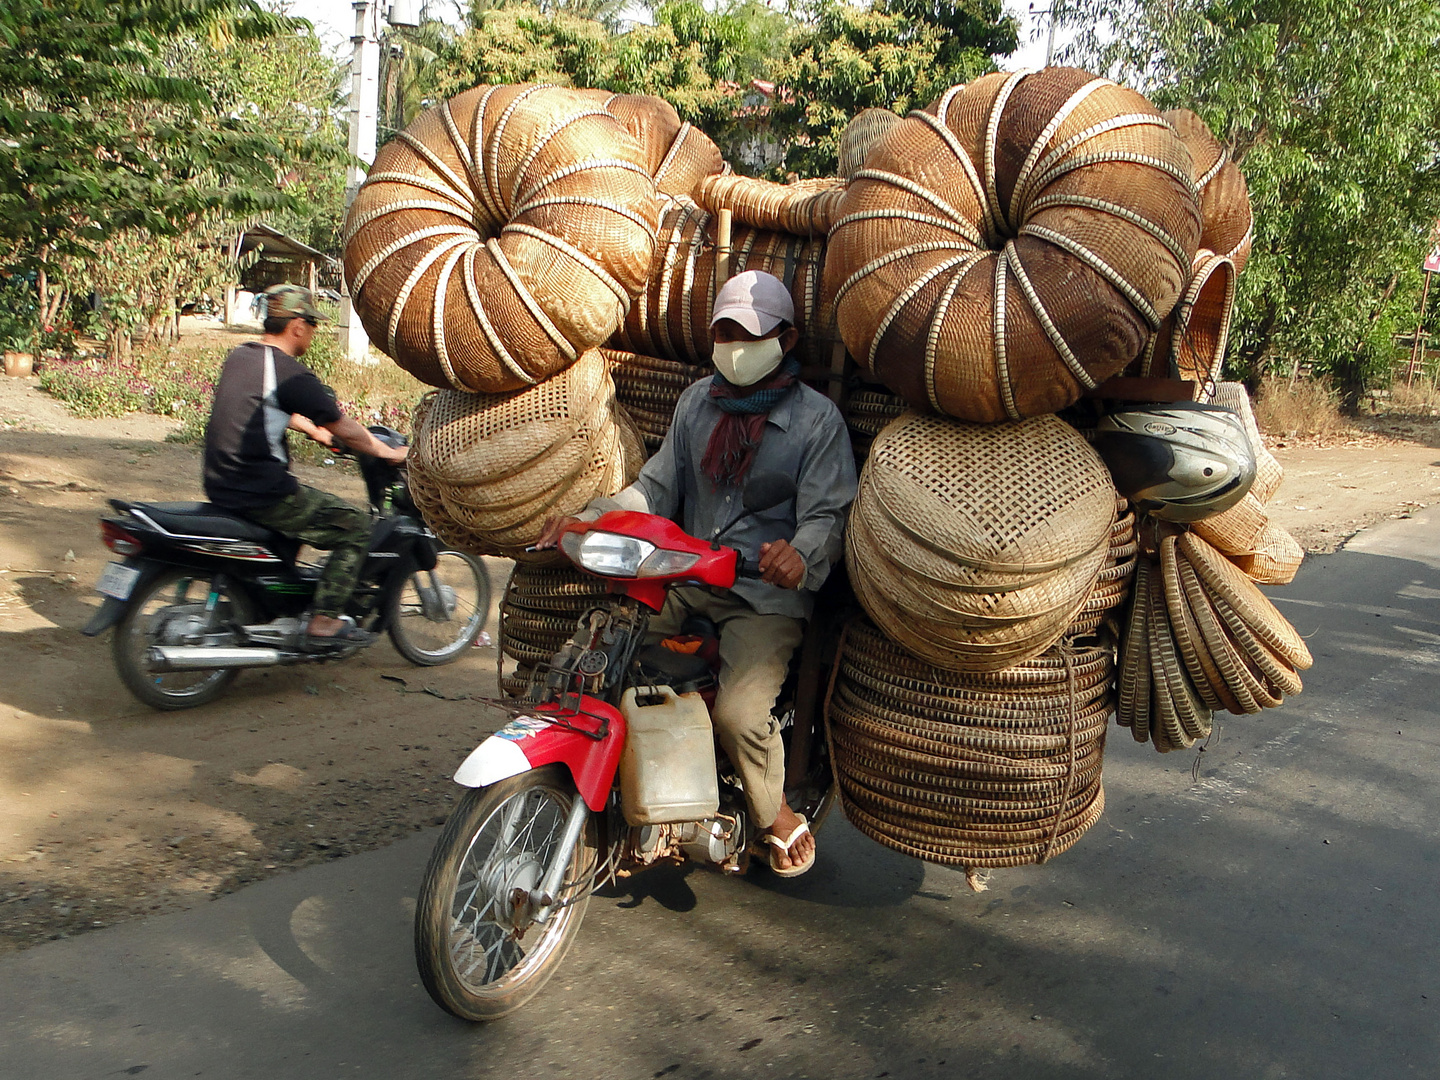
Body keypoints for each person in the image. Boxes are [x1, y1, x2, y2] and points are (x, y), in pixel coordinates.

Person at [542, 270, 857, 875]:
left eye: (748, 333)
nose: (734, 345)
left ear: (785, 341)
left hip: (764, 598)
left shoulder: (817, 422)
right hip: (685, 576)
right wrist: (589, 517)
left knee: (738, 715)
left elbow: (827, 515)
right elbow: (656, 488)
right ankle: (616, 792)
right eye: (724, 331)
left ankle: (775, 815)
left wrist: (799, 554)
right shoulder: (696, 404)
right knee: (600, 652)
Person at [202, 284, 408, 647]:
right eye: (312, 325)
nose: (313, 333)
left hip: (221, 482)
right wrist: (389, 453)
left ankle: (279, 604)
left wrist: (311, 429)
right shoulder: (289, 372)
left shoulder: (242, 356)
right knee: (356, 527)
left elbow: (262, 405)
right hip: (261, 492)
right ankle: (325, 620)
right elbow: (346, 428)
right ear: (297, 325)